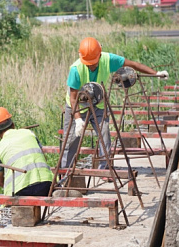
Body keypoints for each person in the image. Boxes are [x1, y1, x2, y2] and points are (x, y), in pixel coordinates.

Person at [62, 37, 169, 171]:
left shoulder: (108, 59)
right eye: (88, 63)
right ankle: (64, 174)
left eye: (93, 63)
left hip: (98, 104)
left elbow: (133, 65)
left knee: (104, 136)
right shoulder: (75, 69)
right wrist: (78, 120)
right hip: (78, 106)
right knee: (71, 140)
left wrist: (156, 74)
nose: (91, 65)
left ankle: (105, 170)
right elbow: (73, 98)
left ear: (99, 55)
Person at [0, 107, 53, 196]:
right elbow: (44, 158)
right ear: (13, 124)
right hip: (47, 185)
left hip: (22, 191)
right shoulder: (29, 134)